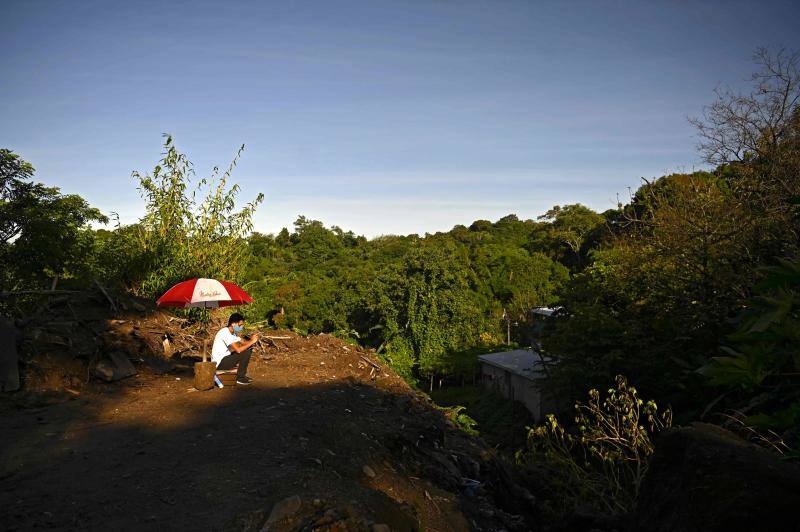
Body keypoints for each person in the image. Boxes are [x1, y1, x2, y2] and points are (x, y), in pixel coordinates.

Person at [211, 313, 259, 385]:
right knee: (245, 352)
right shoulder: (225, 332)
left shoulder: (232, 333)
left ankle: (241, 376)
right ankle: (240, 378)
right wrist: (252, 341)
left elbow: (243, 342)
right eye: (240, 325)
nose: (241, 327)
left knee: (248, 349)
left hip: (225, 359)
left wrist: (252, 339)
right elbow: (238, 350)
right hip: (219, 364)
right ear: (233, 324)